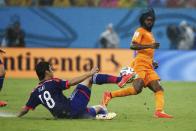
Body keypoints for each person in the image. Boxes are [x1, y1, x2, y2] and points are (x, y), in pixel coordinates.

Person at [101, 8, 173, 118]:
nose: (149, 21)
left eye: (151, 20)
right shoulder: (139, 31)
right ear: (143, 20)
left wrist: (152, 61)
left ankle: (159, 111)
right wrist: (150, 46)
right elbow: (133, 45)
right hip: (140, 63)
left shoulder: (150, 33)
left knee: (158, 88)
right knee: (137, 89)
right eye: (147, 20)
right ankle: (109, 95)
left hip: (148, 65)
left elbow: (147, 52)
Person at [17, 61, 134, 119]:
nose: (52, 70)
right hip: (73, 108)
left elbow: (25, 109)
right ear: (47, 72)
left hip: (64, 117)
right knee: (90, 78)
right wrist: (90, 72)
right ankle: (120, 79)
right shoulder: (52, 82)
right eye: (51, 69)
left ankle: (102, 114)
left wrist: (15, 116)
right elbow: (71, 82)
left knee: (99, 108)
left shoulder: (35, 92)